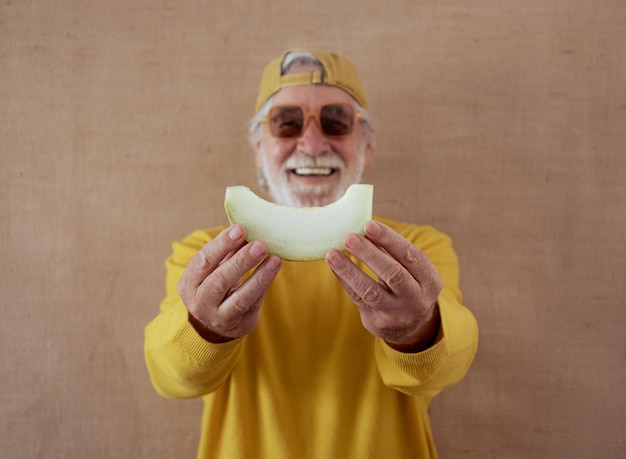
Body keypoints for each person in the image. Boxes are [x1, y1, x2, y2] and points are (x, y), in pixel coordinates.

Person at [144, 49, 479, 459]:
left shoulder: (417, 249)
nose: (313, 142)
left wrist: (418, 331)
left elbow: (447, 366)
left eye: (336, 122)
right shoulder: (205, 254)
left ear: (367, 147)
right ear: (258, 151)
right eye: (286, 124)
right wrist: (206, 329)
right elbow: (172, 376)